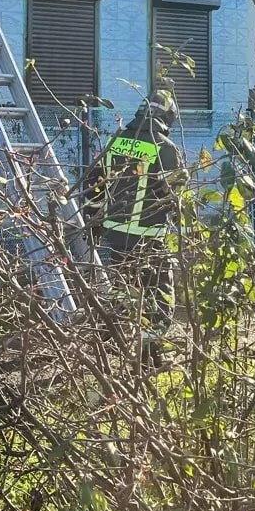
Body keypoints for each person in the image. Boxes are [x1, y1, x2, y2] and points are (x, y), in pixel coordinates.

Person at [86, 90, 185, 360]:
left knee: (123, 291)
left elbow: (95, 184)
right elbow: (175, 197)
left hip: (116, 235)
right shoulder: (165, 148)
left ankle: (110, 346)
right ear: (167, 117)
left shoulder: (116, 140)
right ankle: (149, 354)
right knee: (158, 297)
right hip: (150, 238)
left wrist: (94, 222)